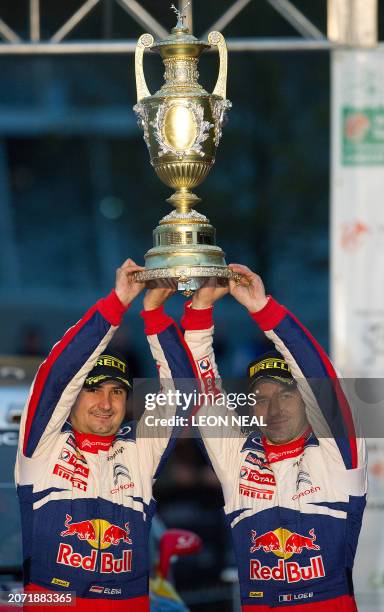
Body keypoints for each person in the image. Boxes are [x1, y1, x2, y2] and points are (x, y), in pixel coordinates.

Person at [145, 264, 367, 611]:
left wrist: (264, 310)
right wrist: (198, 311)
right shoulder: (238, 458)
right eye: (262, 397)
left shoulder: (336, 456)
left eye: (287, 395)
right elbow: (201, 391)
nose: (274, 407)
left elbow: (318, 374)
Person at [15, 259, 197, 612]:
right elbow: (57, 376)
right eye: (93, 390)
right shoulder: (43, 446)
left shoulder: (138, 452)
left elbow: (184, 395)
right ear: (72, 399)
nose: (106, 402)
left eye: (116, 391)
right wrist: (116, 303)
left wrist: (155, 315)